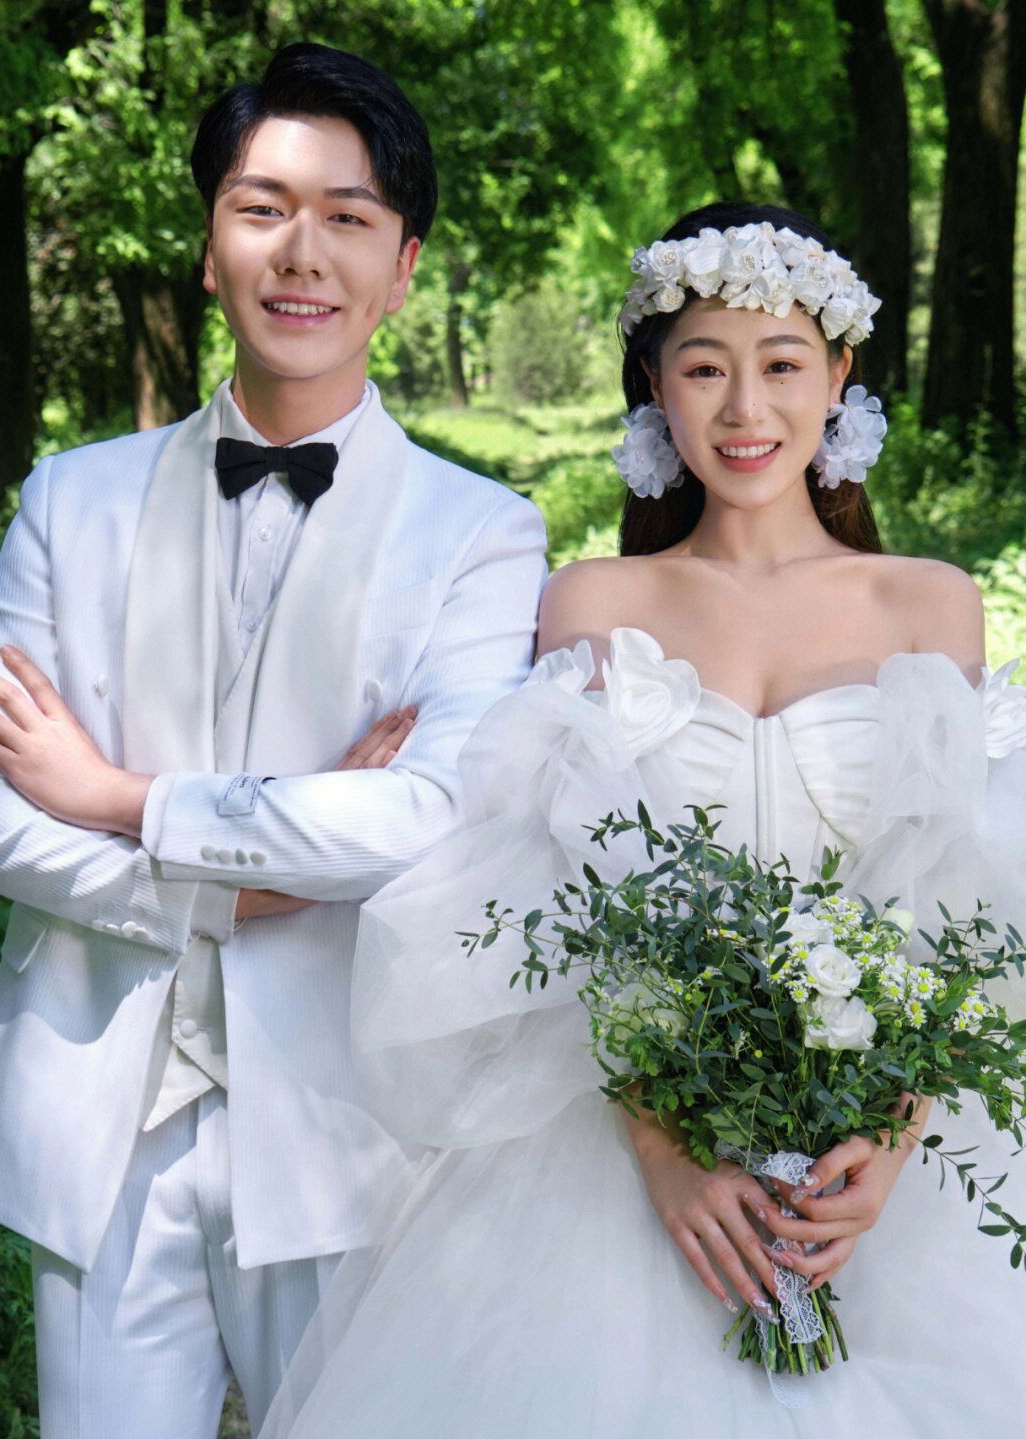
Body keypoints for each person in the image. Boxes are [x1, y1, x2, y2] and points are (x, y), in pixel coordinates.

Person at [258, 202, 1026, 1437]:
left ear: (840, 376)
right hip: (628, 1150)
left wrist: (888, 1141)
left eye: (782, 365)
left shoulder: (928, 602)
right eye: (704, 369)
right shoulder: (592, 600)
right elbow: (557, 893)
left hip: (883, 1161)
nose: (745, 409)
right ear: (656, 390)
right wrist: (666, 1152)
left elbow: (951, 893)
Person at [0, 41, 546, 1439]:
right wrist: (236, 883)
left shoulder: (483, 532)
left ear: (403, 266)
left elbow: (429, 818)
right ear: (210, 245)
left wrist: (115, 794)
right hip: (101, 1120)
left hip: (353, 1117)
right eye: (261, 206)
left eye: (349, 215)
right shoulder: (72, 499)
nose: (302, 251)